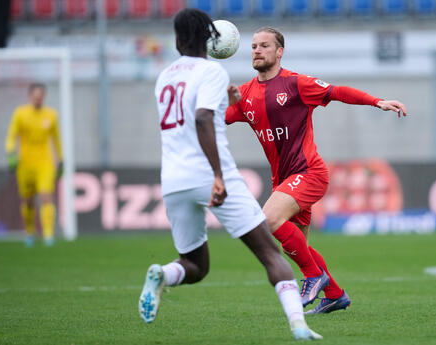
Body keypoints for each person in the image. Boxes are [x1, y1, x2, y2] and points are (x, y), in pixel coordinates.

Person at [138, 9, 322, 341]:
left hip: (173, 180)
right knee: (269, 253)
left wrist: (230, 102)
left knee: (195, 264)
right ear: (210, 40)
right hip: (208, 174)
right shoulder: (212, 71)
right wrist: (218, 176)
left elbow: (194, 115)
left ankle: (163, 274)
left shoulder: (164, 76)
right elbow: (203, 118)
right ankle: (299, 324)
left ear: (177, 39)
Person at [226, 27, 407, 314]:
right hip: (284, 180)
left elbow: (337, 92)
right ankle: (334, 294)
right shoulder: (246, 94)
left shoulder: (296, 84)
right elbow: (215, 118)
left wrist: (377, 101)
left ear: (279, 51)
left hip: (309, 172)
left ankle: (313, 276)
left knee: (269, 219)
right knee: (294, 246)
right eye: (253, 46)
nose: (257, 50)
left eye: (264, 45)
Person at [5, 83, 63, 247]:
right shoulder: (20, 114)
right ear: (30, 96)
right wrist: (10, 152)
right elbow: (11, 135)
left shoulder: (51, 115)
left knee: (46, 196)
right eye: (35, 97)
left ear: (43, 97)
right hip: (25, 164)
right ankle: (29, 232)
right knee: (27, 200)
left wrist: (62, 159)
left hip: (45, 163)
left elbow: (56, 139)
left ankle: (48, 235)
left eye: (41, 97)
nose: (38, 100)